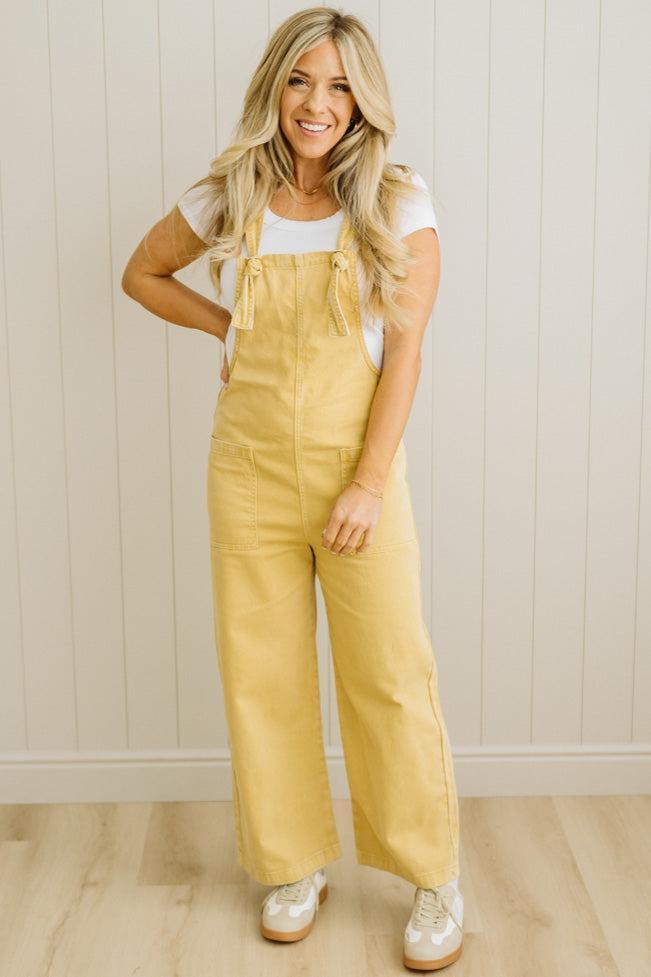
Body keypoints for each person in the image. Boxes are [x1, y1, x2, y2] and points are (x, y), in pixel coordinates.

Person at [122, 7, 463, 971]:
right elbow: (141, 272)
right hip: (248, 473)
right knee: (261, 674)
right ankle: (291, 862)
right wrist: (221, 324)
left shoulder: (398, 199)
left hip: (360, 478)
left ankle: (435, 874)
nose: (318, 104)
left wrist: (364, 482)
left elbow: (405, 353)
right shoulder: (233, 191)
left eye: (340, 85)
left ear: (365, 101)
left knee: (389, 674)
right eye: (302, 81)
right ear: (275, 85)